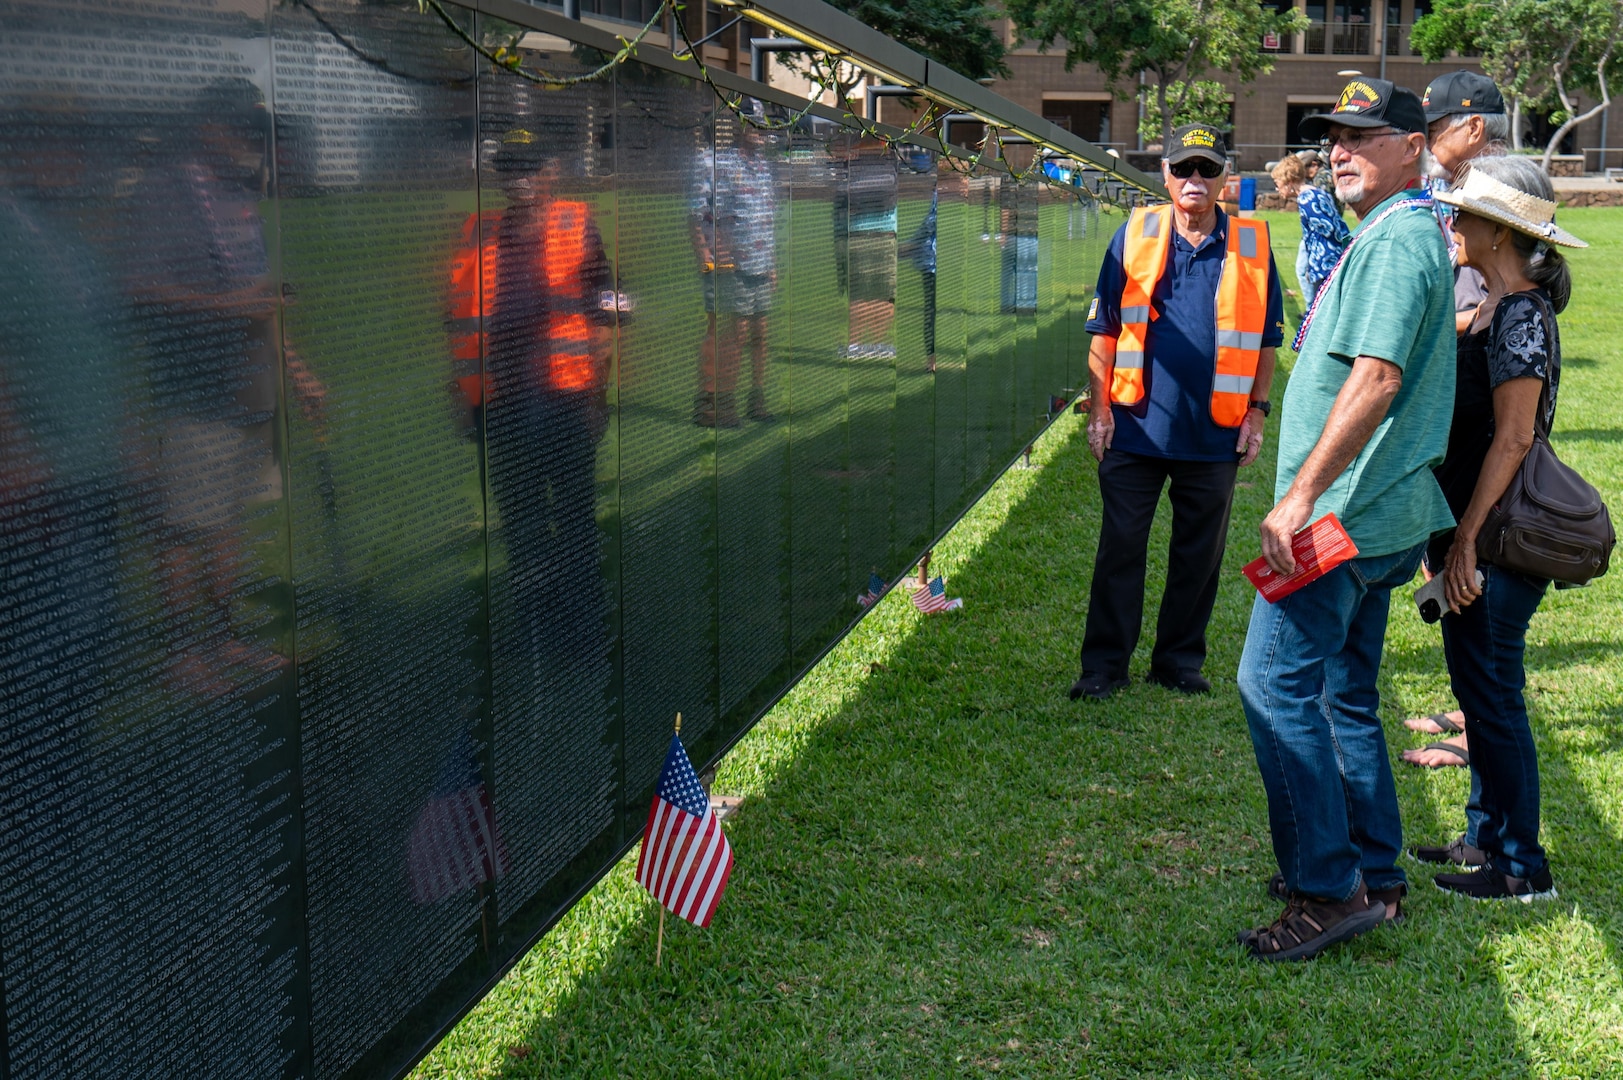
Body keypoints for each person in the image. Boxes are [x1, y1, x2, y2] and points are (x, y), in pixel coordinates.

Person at [1237, 79, 1455, 961]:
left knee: (1271, 684)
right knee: (1342, 695)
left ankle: (1327, 890)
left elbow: (1375, 379)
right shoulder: (1397, 230)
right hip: (1378, 512)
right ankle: (1377, 873)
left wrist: (1297, 498)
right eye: (1333, 136)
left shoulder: (1400, 237)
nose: (1339, 150)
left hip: (1342, 515)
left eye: (1363, 136)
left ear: (1412, 147)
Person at [1405, 158, 1584, 900]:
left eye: (1466, 214)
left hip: (1498, 542)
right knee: (1477, 691)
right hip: (1467, 535)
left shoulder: (1518, 314)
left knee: (1496, 698)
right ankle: (1482, 838)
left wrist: (1467, 543)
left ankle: (1520, 867)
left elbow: (1511, 441)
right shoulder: (1490, 306)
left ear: (1502, 235)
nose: (1453, 221)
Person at [1069, 123, 1284, 701]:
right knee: (1120, 548)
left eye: (1206, 169)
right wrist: (1099, 410)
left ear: (1224, 179)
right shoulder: (1133, 235)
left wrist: (1257, 413)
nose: (1194, 179)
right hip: (1135, 427)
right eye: (1183, 168)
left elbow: (1266, 341)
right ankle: (1104, 667)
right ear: (1165, 175)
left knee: (1199, 556)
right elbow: (1103, 327)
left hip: (1215, 434)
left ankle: (1178, 663)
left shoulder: (1253, 247)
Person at [1402, 71, 1513, 773]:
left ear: (1470, 126)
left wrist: (1438, 330)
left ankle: (1477, 725)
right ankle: (1466, 704)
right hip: (1452, 410)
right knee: (1448, 565)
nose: (1429, 143)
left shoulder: (1495, 190)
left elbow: (1507, 302)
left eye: (1435, 126)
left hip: (1479, 417)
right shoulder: (1459, 192)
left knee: (1471, 571)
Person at [690, 103, 779, 427]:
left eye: (765, 125)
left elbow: (766, 219)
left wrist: (772, 264)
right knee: (730, 333)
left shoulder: (763, 167)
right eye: (754, 124)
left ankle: (756, 400)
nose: (761, 131)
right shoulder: (714, 162)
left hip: (760, 264)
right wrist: (706, 258)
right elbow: (696, 213)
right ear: (740, 125)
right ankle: (714, 404)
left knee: (760, 334)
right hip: (727, 265)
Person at [1270, 154, 1350, 300]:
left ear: (1290, 181)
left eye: (1278, 183)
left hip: (1325, 263)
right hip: (1331, 259)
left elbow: (1328, 228)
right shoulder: (1317, 192)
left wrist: (1314, 264)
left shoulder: (1307, 198)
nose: (1277, 188)